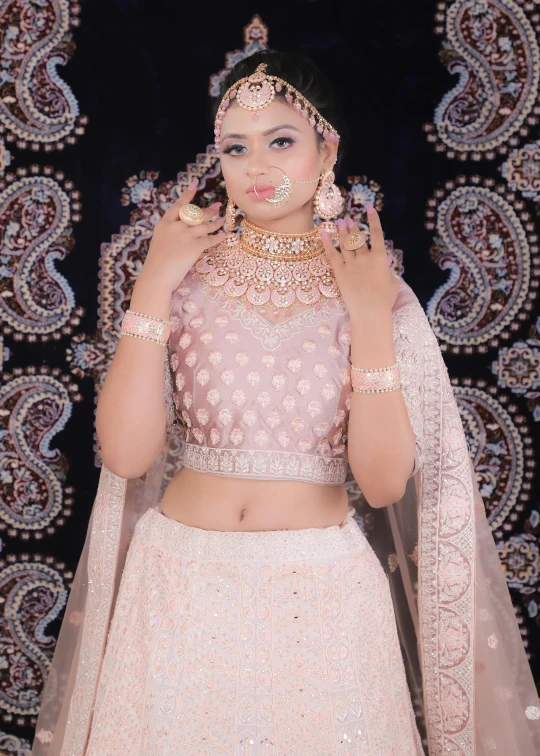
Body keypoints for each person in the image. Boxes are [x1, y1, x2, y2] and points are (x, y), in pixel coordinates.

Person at [32, 50, 540, 756]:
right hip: (178, 591)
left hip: (320, 601)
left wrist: (367, 318)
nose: (257, 166)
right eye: (236, 148)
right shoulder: (182, 276)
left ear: (326, 147)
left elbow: (385, 482)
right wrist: (152, 282)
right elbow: (125, 454)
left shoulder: (371, 289)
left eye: (282, 141)